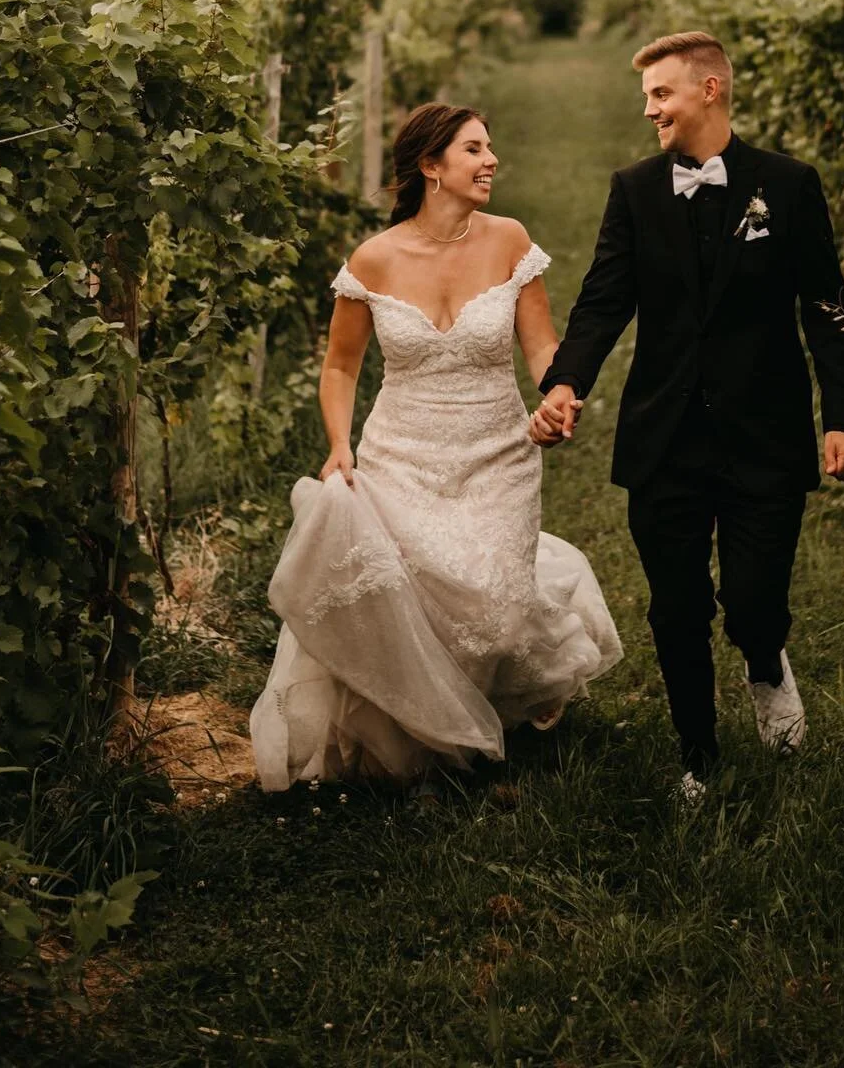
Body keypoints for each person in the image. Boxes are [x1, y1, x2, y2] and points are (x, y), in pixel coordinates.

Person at [250, 102, 622, 793]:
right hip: (403, 450)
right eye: (475, 150)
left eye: (491, 148)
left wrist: (557, 393)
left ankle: (490, 701)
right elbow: (340, 367)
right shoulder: (375, 259)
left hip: (497, 450)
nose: (492, 162)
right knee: (412, 599)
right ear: (430, 166)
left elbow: (541, 347)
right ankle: (425, 740)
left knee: (497, 616)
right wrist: (339, 444)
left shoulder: (510, 241)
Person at [529, 31, 844, 803]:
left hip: (766, 433)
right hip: (665, 433)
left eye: (661, 94)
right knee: (676, 605)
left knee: (751, 602)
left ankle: (764, 659)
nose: (650, 111)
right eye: (647, 98)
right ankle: (698, 756)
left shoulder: (789, 184)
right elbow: (605, 300)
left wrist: (840, 415)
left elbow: (827, 309)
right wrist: (565, 381)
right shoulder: (636, 189)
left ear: (709, 90)